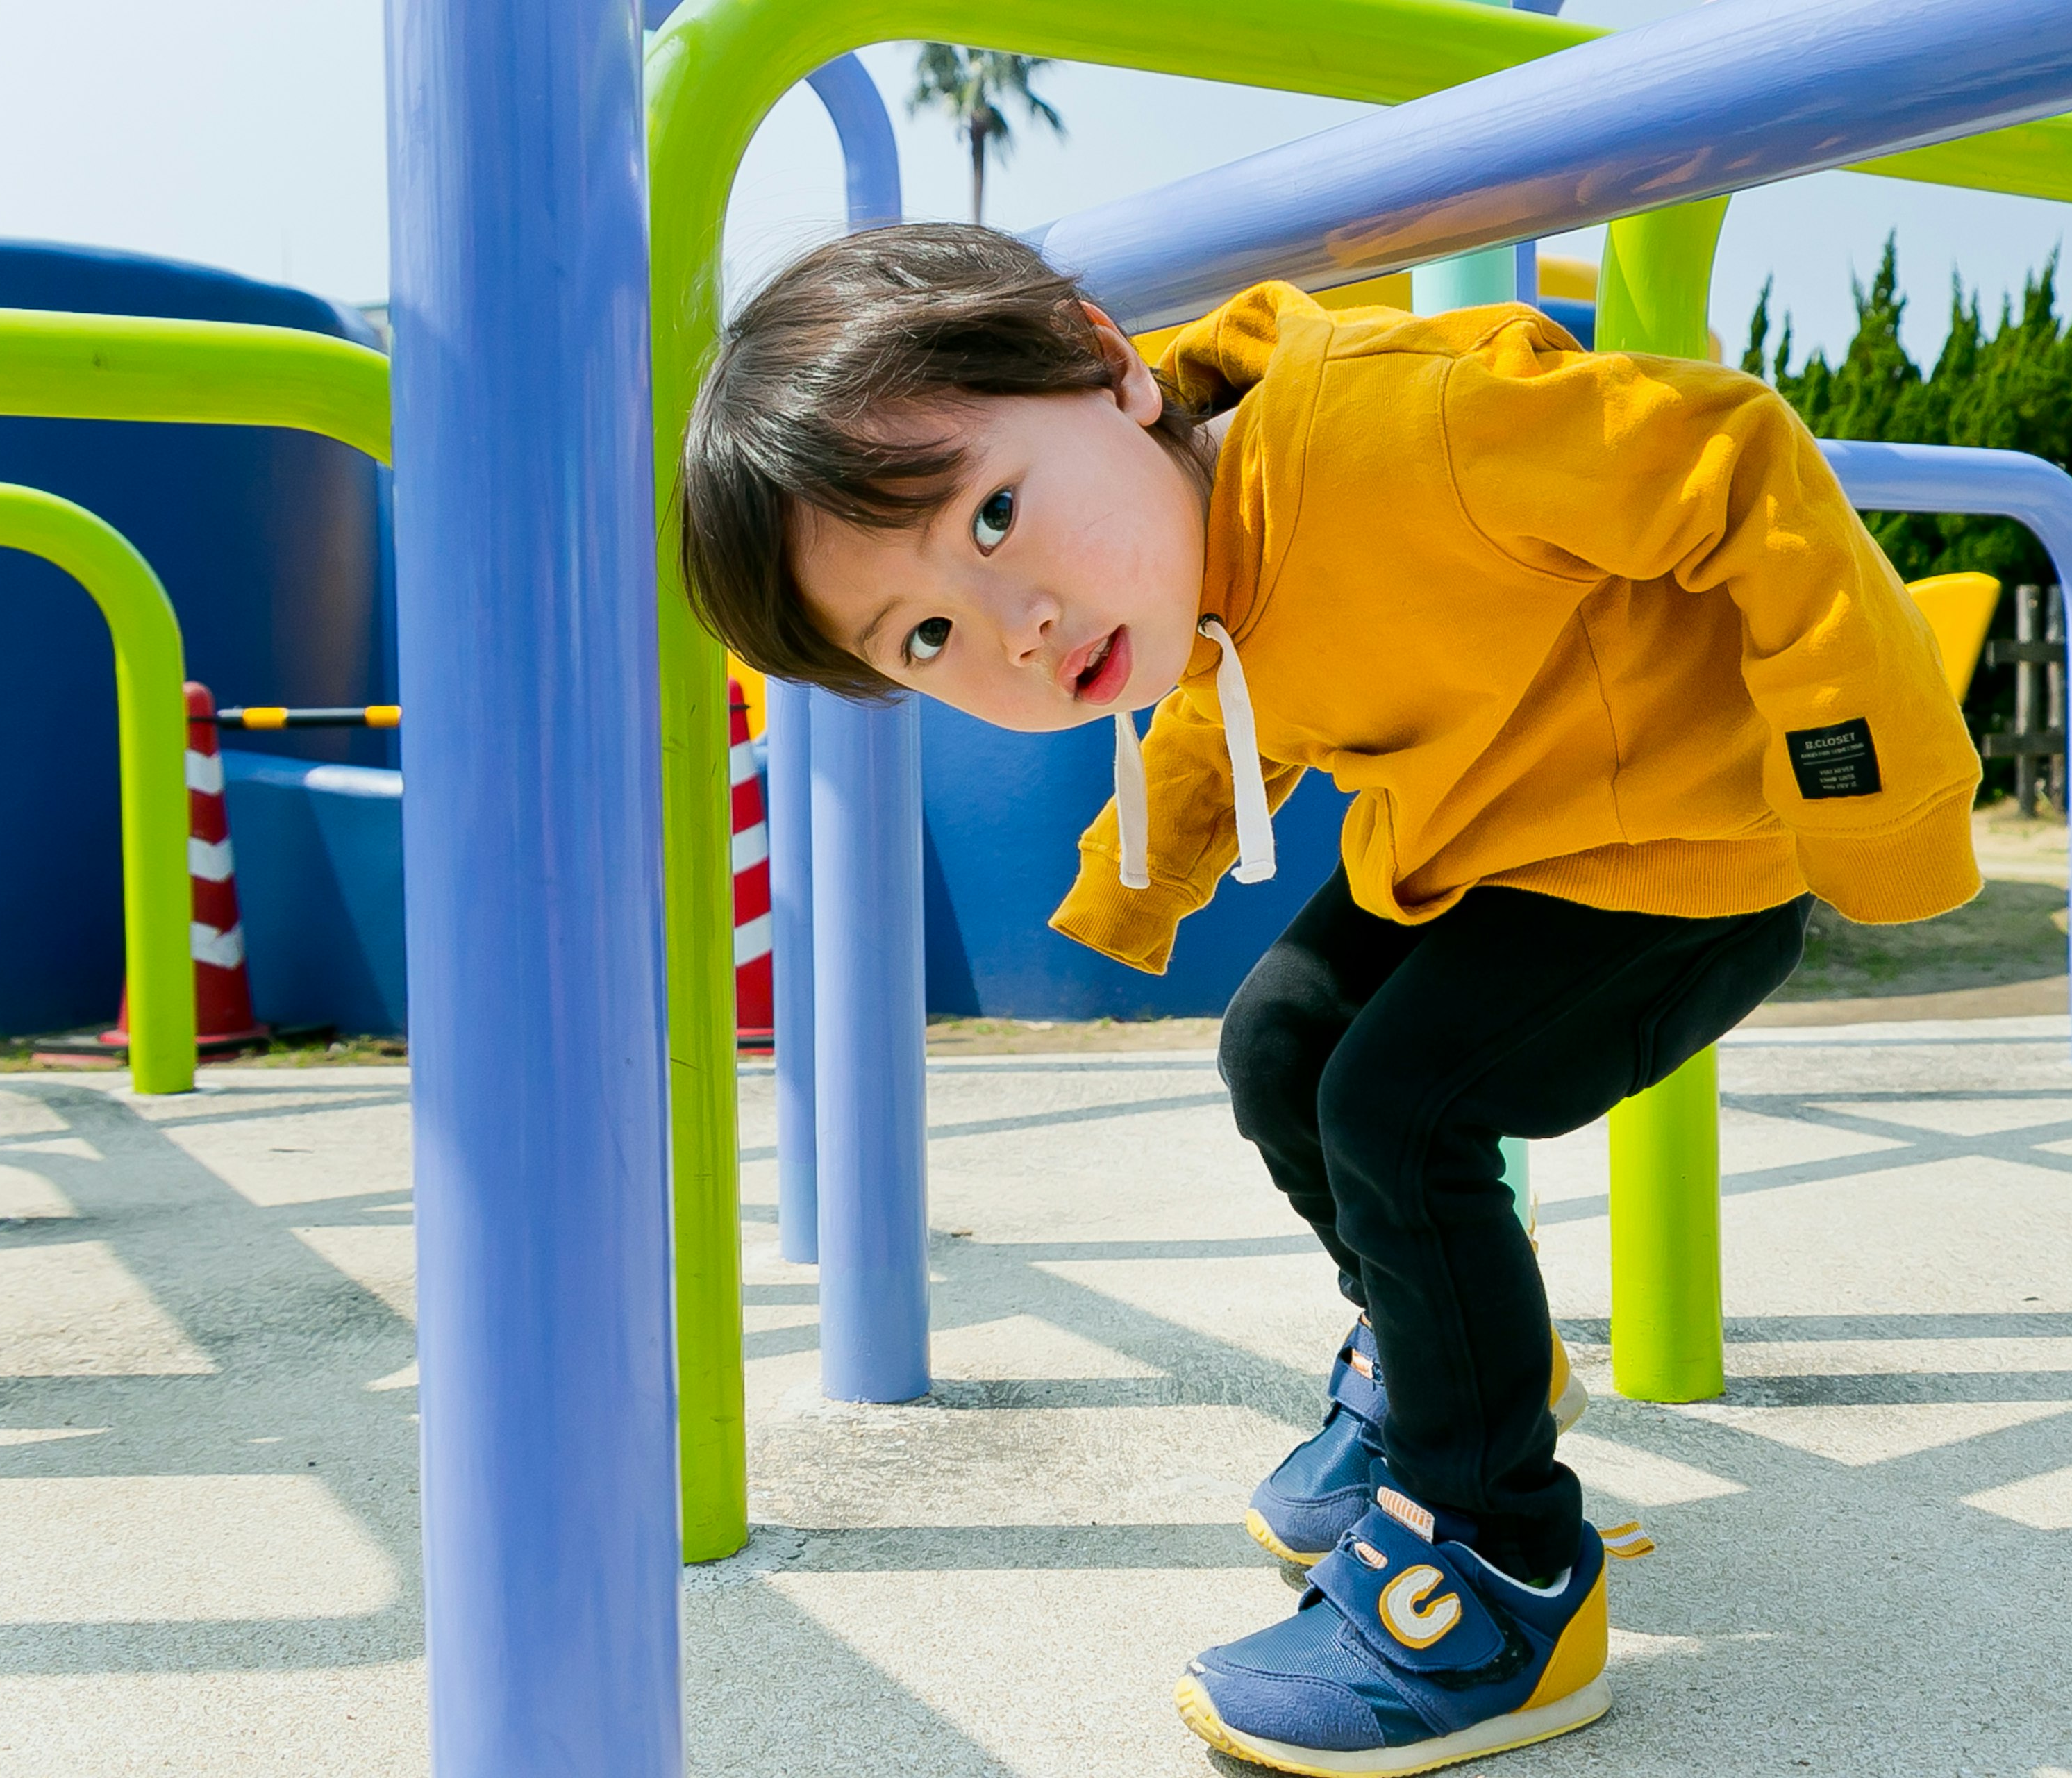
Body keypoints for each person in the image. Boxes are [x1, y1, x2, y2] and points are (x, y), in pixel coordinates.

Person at [676, 224, 1981, 1777]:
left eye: (994, 511)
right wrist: (1140, 882)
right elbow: (1219, 700)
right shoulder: (1180, 554)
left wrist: (1870, 792)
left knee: (1400, 1107)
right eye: (930, 635)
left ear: (1110, 370)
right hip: (1490, 838)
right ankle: (1449, 1362)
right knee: (1280, 1042)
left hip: (1681, 849)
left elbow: (1736, 462)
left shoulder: (1406, 431)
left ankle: (1500, 1566)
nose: (1014, 620)